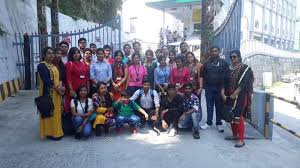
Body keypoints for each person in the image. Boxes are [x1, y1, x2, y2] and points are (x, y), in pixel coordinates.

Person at [223, 49, 254, 148]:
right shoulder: (228, 69)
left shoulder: (245, 69)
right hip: (228, 96)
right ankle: (235, 135)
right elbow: (223, 82)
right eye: (231, 57)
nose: (232, 58)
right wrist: (222, 93)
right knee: (230, 116)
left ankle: (241, 139)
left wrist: (235, 93)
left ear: (239, 57)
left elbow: (244, 83)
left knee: (238, 117)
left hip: (240, 96)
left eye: (234, 56)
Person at [200, 46, 230, 132]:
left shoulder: (224, 63)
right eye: (212, 51)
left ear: (219, 52)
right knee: (209, 106)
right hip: (209, 88)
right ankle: (209, 122)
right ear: (210, 52)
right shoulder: (206, 64)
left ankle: (218, 123)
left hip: (220, 88)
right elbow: (202, 75)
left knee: (219, 106)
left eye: (215, 51)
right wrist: (202, 87)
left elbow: (228, 76)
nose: (214, 53)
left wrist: (225, 89)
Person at [37, 47, 64, 140]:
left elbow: (58, 79)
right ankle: (50, 133)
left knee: (56, 113)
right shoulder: (42, 66)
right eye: (49, 53)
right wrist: (58, 89)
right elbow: (47, 80)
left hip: (56, 93)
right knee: (49, 112)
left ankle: (57, 132)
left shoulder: (53, 65)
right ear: (44, 55)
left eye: (52, 53)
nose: (51, 55)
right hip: (48, 93)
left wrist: (60, 88)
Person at [65, 47, 90, 114]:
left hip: (83, 89)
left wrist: (87, 87)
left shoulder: (82, 63)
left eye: (78, 53)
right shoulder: (69, 64)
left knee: (82, 106)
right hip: (74, 88)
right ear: (71, 55)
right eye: (74, 53)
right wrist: (71, 89)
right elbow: (68, 78)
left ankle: (83, 121)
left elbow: (86, 76)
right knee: (74, 106)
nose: (76, 54)